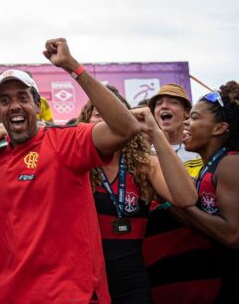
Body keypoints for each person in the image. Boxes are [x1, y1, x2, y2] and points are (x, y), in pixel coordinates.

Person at [0, 38, 148, 304]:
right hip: (7, 294)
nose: (15, 106)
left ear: (36, 106)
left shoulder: (66, 142)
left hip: (69, 294)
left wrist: (72, 66)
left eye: (23, 98)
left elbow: (127, 128)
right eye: (5, 101)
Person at [78, 87, 197, 303]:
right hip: (83, 279)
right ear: (84, 123)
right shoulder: (75, 164)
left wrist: (155, 132)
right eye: (98, 113)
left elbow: (186, 198)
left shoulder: (144, 164)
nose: (107, 119)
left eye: (115, 113)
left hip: (132, 281)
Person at [163, 83, 239, 301]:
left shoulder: (230, 163)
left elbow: (232, 235)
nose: (186, 122)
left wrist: (182, 205)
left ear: (219, 128)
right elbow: (201, 224)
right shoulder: (207, 166)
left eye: (194, 117)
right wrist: (168, 201)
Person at [148, 84, 200, 177]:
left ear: (187, 112)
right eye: (159, 103)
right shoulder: (147, 153)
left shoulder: (199, 151)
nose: (164, 106)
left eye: (173, 102)